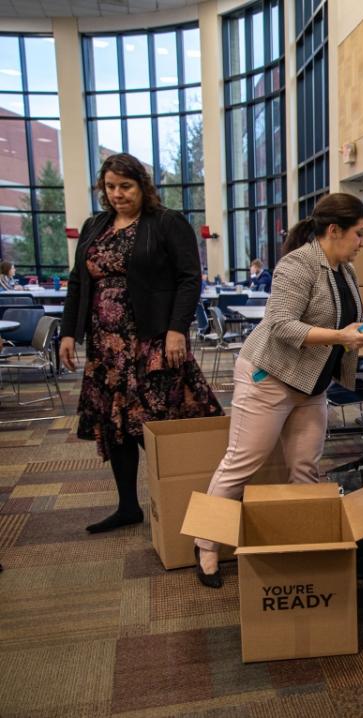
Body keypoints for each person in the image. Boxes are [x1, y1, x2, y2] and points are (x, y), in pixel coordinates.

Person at [194, 193, 363, 588]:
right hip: (268, 376)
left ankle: (301, 541)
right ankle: (205, 544)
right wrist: (340, 336)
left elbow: (358, 326)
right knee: (242, 463)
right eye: (359, 234)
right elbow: (281, 326)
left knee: (306, 466)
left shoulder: (346, 271)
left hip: (312, 384)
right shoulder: (298, 264)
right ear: (334, 230)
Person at [60, 153, 223, 534]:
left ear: (142, 186)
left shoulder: (166, 222)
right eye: (110, 187)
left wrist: (177, 329)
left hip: (152, 342)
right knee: (116, 424)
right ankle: (128, 507)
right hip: (105, 348)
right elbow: (77, 282)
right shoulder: (94, 226)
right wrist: (69, 332)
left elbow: (188, 279)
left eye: (125, 186)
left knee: (157, 425)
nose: (117, 194)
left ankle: (184, 502)